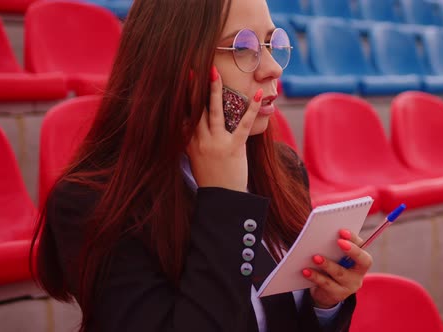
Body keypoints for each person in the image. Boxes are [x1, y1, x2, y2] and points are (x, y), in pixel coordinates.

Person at [31, 0, 373, 331]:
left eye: (272, 42)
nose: (272, 67)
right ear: (176, 65)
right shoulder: (88, 203)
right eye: (243, 47)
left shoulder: (285, 169)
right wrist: (223, 200)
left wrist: (324, 304)